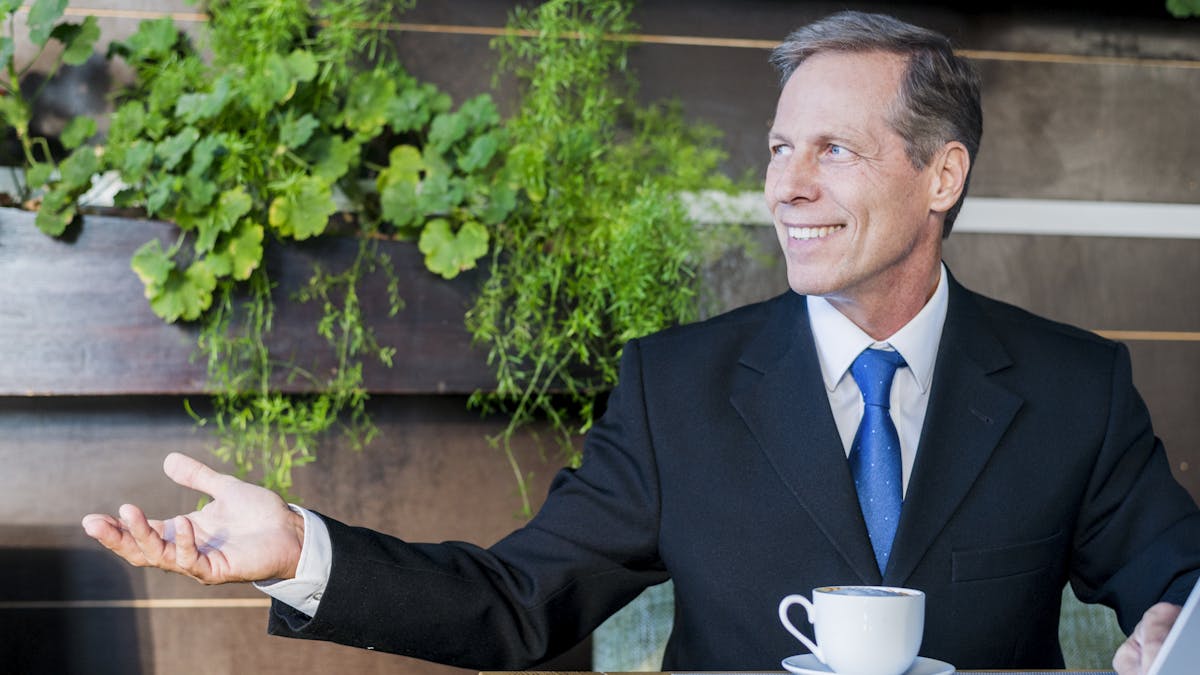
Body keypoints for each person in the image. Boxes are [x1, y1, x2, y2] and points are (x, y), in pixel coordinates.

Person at [82, 10, 1199, 674]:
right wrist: (303, 553)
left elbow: (1180, 580)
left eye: (834, 153)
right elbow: (519, 605)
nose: (787, 188)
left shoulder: (1072, 387)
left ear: (941, 174)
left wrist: (1166, 630)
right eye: (775, 150)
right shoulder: (678, 389)